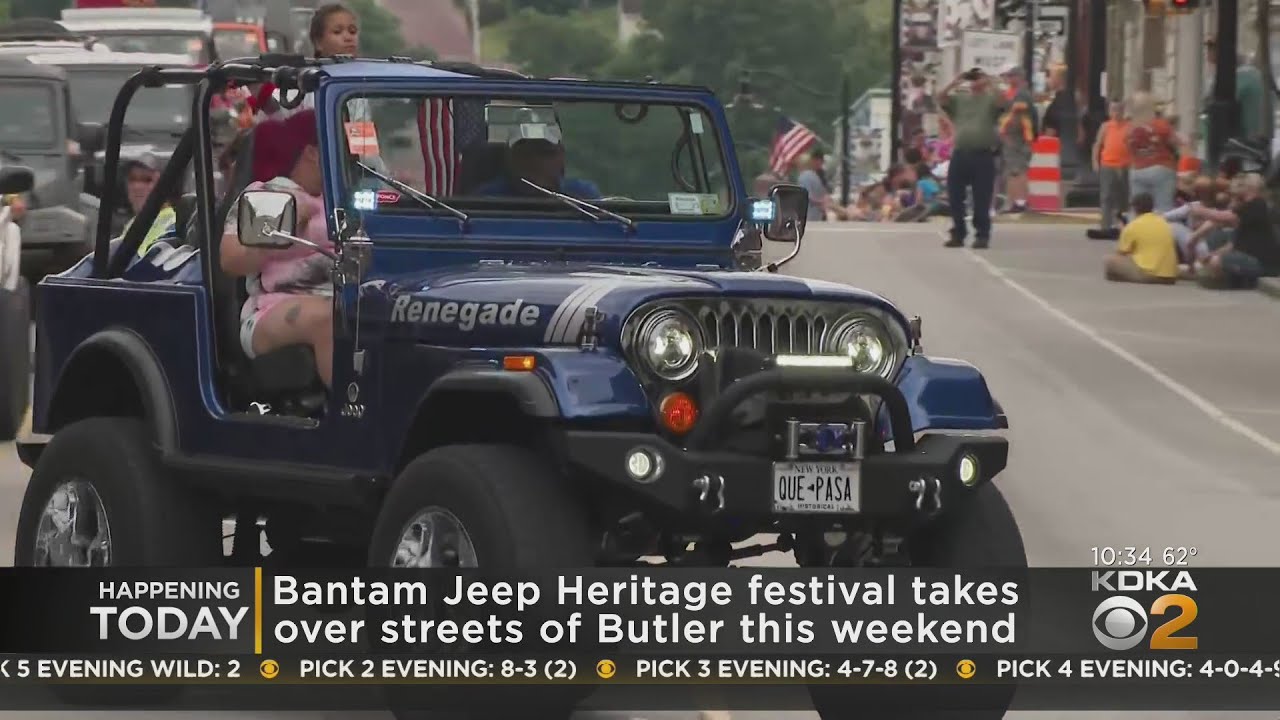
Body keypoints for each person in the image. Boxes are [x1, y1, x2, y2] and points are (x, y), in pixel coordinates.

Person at [220, 110, 335, 389]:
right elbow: (230, 260)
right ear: (313, 152)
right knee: (330, 320)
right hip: (272, 309)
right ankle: (360, 421)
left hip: (347, 298)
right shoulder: (268, 195)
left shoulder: (348, 199)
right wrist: (284, 222)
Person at [935, 67, 1008, 249]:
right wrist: (956, 81)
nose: (975, 80)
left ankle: (982, 235)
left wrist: (990, 82)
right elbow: (940, 98)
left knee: (981, 197)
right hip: (960, 153)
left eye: (978, 77)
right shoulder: (960, 99)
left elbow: (1003, 102)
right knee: (955, 196)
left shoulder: (990, 99)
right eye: (973, 77)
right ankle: (958, 233)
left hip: (982, 154)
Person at [1190, 173, 1280, 288]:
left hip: (1261, 263)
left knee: (1216, 261)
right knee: (1215, 245)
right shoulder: (1247, 208)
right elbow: (1232, 244)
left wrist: (1201, 211)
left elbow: (1226, 217)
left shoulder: (1258, 204)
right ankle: (1236, 278)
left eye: (1242, 185)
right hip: (1250, 258)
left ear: (1250, 188)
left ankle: (1235, 281)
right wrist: (1210, 255)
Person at [477, 138, 601, 200]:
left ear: (561, 158)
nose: (537, 162)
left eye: (547, 154)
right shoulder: (489, 198)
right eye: (526, 155)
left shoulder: (584, 196)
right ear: (511, 159)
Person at [1125, 92, 1184, 213]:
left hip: (1137, 171)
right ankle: (1160, 231)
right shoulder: (1161, 124)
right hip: (1161, 168)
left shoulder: (1129, 129)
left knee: (1139, 209)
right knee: (1164, 209)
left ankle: (1139, 231)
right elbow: (1177, 144)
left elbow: (1129, 147)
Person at [1104, 193, 1178, 284]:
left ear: (1135, 208)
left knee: (1110, 261)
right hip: (1170, 276)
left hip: (1149, 274)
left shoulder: (1133, 226)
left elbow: (1121, 253)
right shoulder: (1164, 223)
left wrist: (1122, 232)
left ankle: (1127, 278)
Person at [119, 154, 179, 257]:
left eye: (147, 180)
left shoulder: (172, 225)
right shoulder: (131, 224)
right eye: (132, 179)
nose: (137, 186)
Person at [996, 65, 1036, 213]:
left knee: (1017, 170)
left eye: (1011, 76)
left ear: (1019, 77)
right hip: (1017, 138)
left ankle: (1019, 202)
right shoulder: (1015, 94)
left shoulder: (1021, 95)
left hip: (1018, 138)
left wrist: (1004, 132)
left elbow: (1016, 116)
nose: (1008, 79)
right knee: (1013, 170)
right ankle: (1014, 201)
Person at [1088, 100, 1130, 239]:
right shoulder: (1105, 126)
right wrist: (1095, 161)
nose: (1116, 113)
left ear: (1123, 111)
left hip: (1125, 165)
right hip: (1108, 164)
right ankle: (1105, 226)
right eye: (1113, 110)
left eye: (1119, 110)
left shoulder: (1129, 127)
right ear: (1109, 111)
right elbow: (1097, 144)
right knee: (1106, 196)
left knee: (1123, 197)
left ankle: (1123, 226)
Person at [796, 150, 833, 222]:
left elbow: (807, 195)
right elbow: (807, 196)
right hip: (811, 215)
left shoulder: (811, 176)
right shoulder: (807, 176)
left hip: (814, 215)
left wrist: (824, 201)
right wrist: (822, 202)